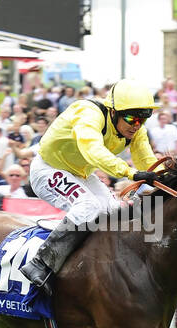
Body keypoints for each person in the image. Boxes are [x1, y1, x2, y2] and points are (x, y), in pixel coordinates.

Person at [19, 79, 161, 290]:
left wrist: (167, 177)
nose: (136, 125)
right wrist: (128, 172)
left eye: (142, 120)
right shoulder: (88, 113)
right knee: (89, 207)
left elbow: (147, 161)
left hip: (80, 174)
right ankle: (41, 263)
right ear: (113, 111)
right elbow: (92, 150)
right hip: (47, 169)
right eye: (131, 118)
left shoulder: (135, 128)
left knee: (114, 212)